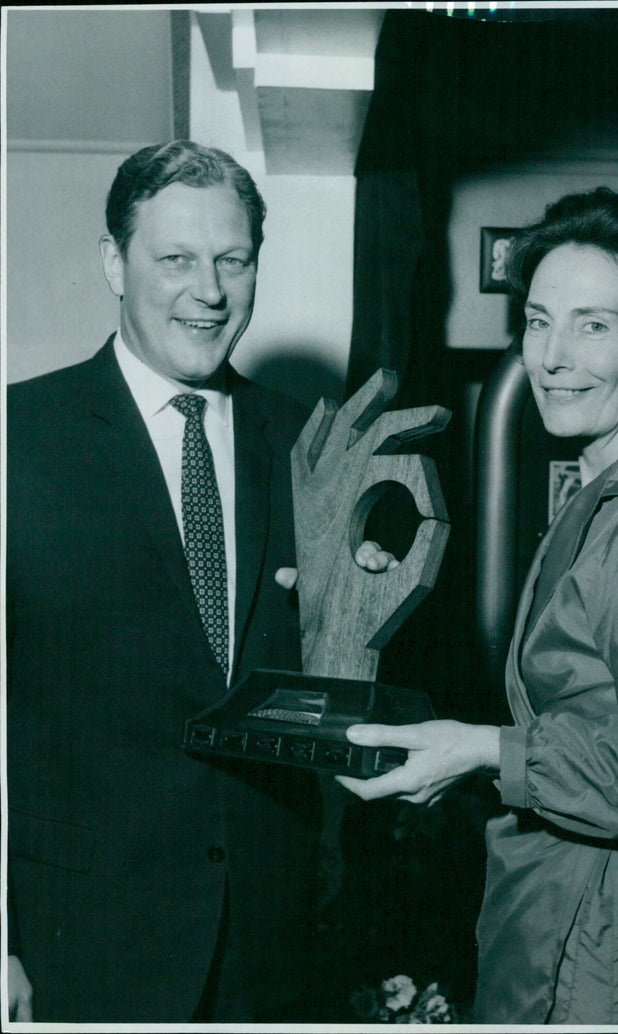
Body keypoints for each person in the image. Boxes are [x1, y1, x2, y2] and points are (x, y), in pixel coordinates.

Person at [337, 187, 618, 1026]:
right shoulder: (602, 495)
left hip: (615, 957)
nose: (552, 357)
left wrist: (486, 750)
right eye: (537, 321)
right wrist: (466, 762)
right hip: (566, 929)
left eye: (594, 325)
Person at [4, 139, 391, 1023]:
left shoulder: (309, 447)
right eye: (174, 258)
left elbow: (317, 683)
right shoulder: (18, 439)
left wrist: (356, 604)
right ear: (114, 261)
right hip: (80, 941)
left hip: (271, 937)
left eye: (233, 260)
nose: (208, 290)